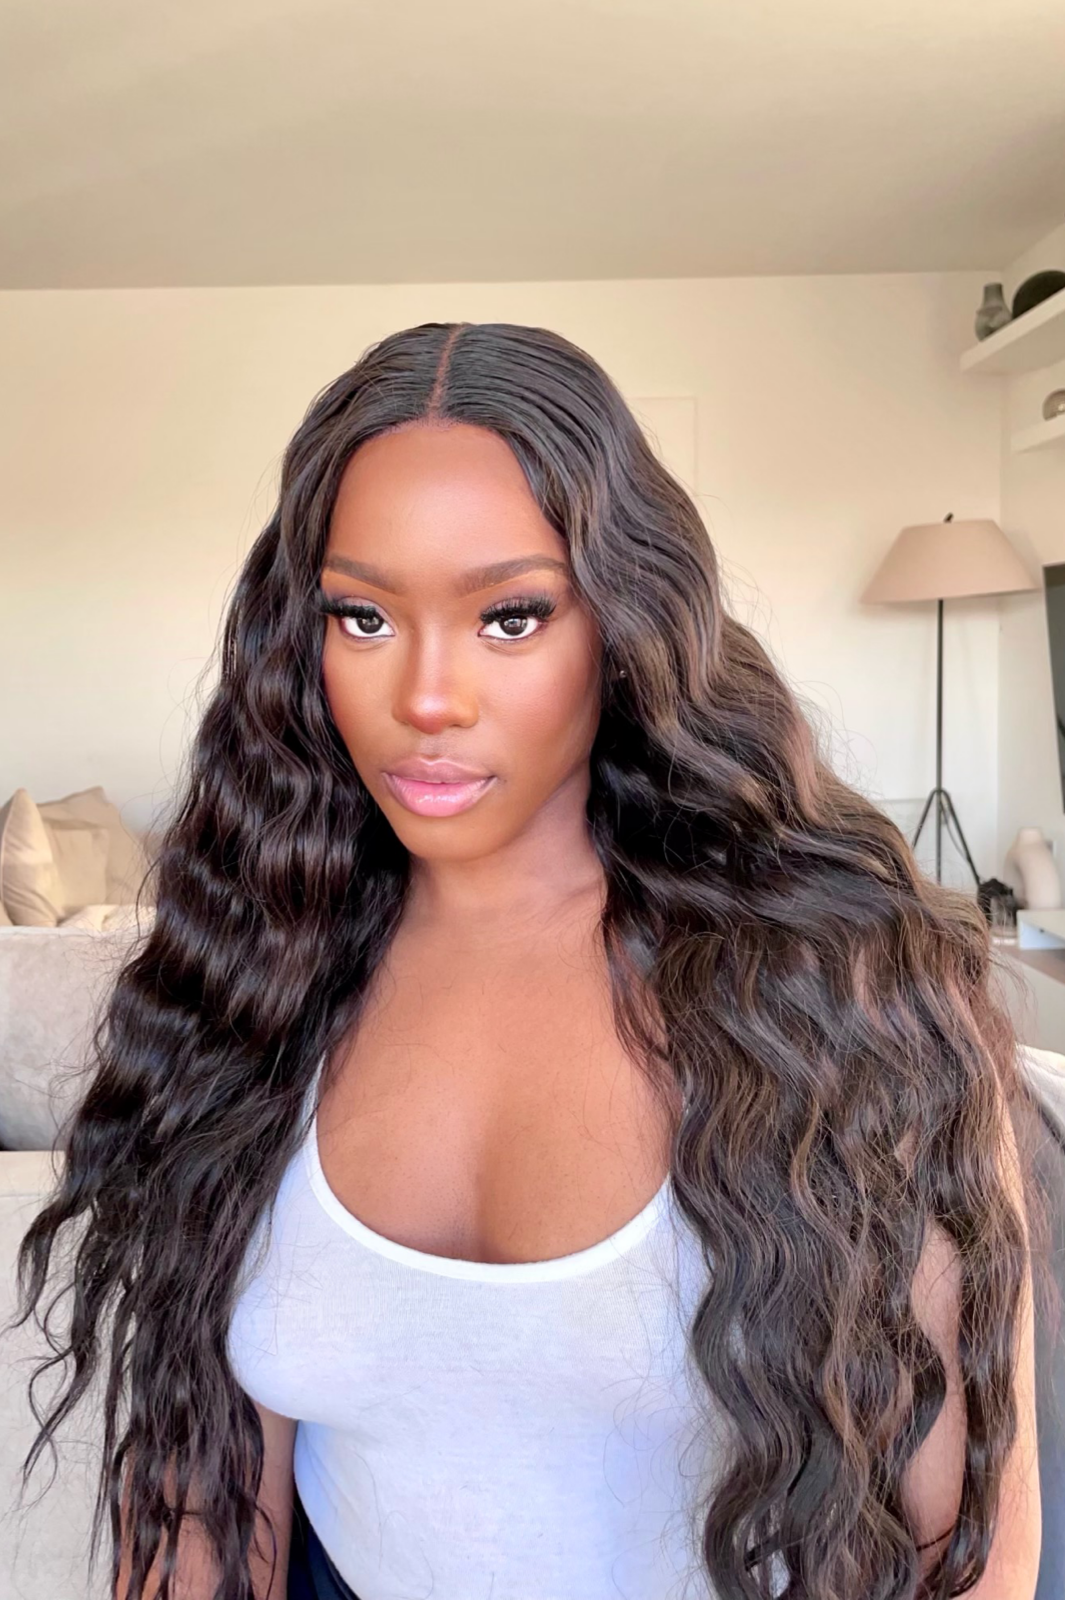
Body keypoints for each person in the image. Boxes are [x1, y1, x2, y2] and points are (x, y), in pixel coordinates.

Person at [8, 321, 1054, 1600]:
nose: (427, 696)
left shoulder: (849, 996)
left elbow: (969, 1554)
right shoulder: (249, 980)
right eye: (361, 615)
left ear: (625, 619)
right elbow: (200, 1506)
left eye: (510, 616)